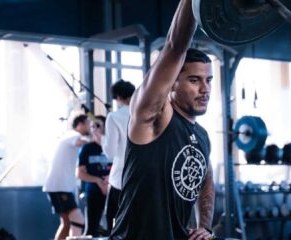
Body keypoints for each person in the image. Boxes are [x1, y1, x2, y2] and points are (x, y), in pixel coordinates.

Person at [110, 1, 215, 239]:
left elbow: (206, 184)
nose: (205, 89)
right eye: (195, 80)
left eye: (209, 81)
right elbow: (174, 47)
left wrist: (205, 227)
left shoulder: (202, 136)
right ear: (173, 83)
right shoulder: (154, 119)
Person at [43, 114, 90, 240]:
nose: (90, 126)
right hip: (59, 186)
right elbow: (80, 142)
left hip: (58, 186)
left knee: (66, 223)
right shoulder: (74, 135)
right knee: (78, 220)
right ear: (80, 125)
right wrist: (97, 138)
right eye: (88, 123)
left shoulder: (68, 135)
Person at [102, 79, 135, 235]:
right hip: (143, 179)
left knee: (113, 223)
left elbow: (110, 152)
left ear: (118, 97)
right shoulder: (146, 114)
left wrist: (101, 136)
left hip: (120, 180)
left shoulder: (113, 117)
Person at [76, 115, 111, 237]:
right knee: (91, 229)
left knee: (114, 228)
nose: (94, 128)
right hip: (93, 191)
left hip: (112, 190)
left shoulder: (112, 146)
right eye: (92, 126)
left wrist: (108, 180)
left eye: (98, 125)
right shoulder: (87, 148)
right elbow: (79, 173)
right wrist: (97, 180)